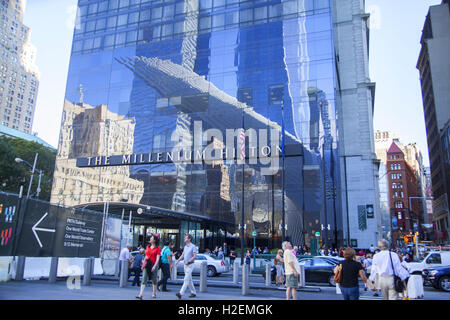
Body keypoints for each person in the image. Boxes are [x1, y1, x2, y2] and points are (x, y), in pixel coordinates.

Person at [136, 234, 161, 300]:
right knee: (144, 277)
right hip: (147, 264)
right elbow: (146, 256)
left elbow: (158, 258)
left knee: (154, 278)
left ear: (154, 240)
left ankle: (154, 293)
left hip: (153, 264)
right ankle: (140, 294)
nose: (150, 239)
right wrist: (143, 264)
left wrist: (155, 266)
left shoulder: (157, 248)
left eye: (151, 238)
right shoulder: (148, 247)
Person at [175, 234, 198, 299]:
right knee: (189, 279)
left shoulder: (193, 246)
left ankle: (180, 293)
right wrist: (178, 261)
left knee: (186, 279)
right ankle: (193, 292)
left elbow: (194, 256)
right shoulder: (185, 247)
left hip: (190, 264)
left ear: (189, 239)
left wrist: (189, 261)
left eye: (186, 238)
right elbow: (183, 255)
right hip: (185, 264)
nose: (184, 239)